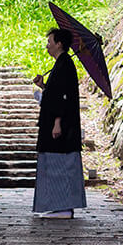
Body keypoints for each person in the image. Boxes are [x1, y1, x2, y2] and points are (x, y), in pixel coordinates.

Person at [31, 27, 87, 219]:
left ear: (59, 44)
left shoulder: (65, 65)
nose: (47, 46)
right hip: (58, 124)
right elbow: (56, 93)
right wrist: (44, 86)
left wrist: (57, 122)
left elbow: (64, 98)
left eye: (49, 42)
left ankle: (63, 207)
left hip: (60, 127)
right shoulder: (62, 64)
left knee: (58, 164)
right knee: (55, 163)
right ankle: (60, 207)